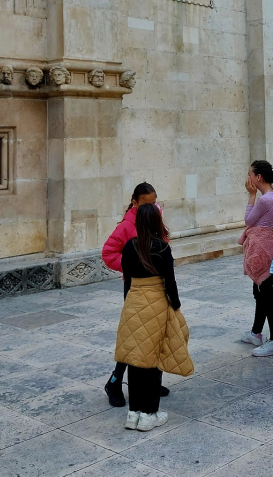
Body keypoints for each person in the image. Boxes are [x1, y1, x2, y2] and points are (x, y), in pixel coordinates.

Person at [114, 204, 194, 431]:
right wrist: (176, 307)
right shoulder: (162, 248)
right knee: (154, 359)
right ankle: (149, 414)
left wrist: (130, 303)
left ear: (138, 222)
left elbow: (127, 280)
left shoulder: (129, 247)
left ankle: (133, 414)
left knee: (135, 358)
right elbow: (170, 283)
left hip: (133, 303)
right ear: (157, 221)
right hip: (157, 303)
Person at [102, 183, 170, 407]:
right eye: (147, 203)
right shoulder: (126, 225)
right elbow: (108, 252)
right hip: (135, 287)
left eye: (154, 202)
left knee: (155, 334)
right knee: (135, 337)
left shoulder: (155, 216)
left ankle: (150, 380)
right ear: (135, 203)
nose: (153, 207)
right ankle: (115, 381)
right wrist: (132, 266)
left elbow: (162, 243)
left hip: (157, 286)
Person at [239, 161, 273, 356]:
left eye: (249, 174)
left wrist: (251, 195)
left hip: (263, 250)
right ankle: (256, 332)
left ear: (258, 177)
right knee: (260, 293)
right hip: (267, 247)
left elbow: (249, 220)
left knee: (266, 295)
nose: (247, 178)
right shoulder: (272, 196)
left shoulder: (265, 199)